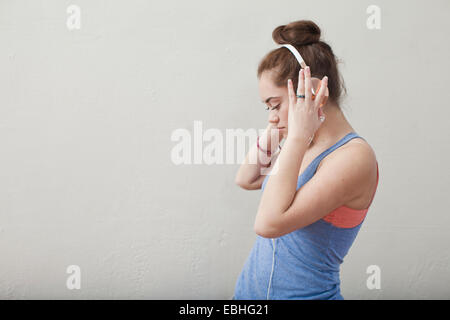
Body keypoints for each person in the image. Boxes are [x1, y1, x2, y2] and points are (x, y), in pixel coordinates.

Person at [233, 20, 379, 300]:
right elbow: (247, 177)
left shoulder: (354, 157)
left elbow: (268, 224)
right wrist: (279, 123)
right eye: (267, 107)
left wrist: (297, 134)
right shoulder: (303, 143)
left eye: (274, 105)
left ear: (311, 92)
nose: (270, 116)